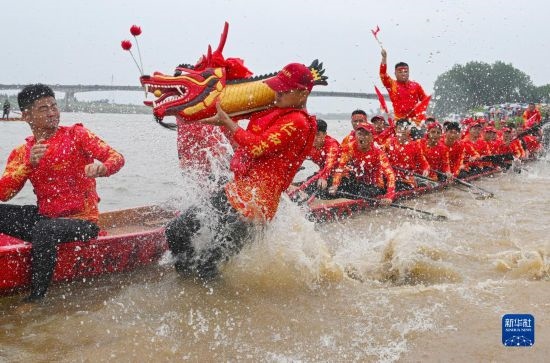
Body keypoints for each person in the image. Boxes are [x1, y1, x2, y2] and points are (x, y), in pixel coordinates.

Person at [165, 63, 319, 280]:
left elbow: (257, 146)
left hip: (256, 207)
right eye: (277, 88)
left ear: (303, 93)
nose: (278, 93)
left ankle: (215, 305)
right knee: (176, 230)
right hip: (235, 191)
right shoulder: (275, 109)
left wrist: (226, 122)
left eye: (284, 90)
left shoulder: (298, 122)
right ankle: (185, 284)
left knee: (208, 266)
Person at [0, 84, 125, 303]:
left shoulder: (77, 135)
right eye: (43, 108)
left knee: (44, 230)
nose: (51, 112)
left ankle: (37, 298)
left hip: (83, 222)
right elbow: (4, 193)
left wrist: (103, 168)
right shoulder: (22, 153)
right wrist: (29, 165)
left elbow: (116, 157)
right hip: (46, 219)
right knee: (39, 225)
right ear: (26, 116)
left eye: (53, 106)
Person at [328, 123, 395, 204]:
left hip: (375, 185)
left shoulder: (379, 153)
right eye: (359, 134)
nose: (362, 137)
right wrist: (335, 185)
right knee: (336, 186)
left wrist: (389, 196)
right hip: (357, 182)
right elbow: (340, 168)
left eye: (366, 134)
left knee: (363, 192)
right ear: (355, 135)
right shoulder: (349, 148)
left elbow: (390, 174)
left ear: (372, 137)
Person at [295, 118, 341, 198]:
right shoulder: (308, 144)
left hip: (339, 175)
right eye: (312, 134)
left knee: (313, 187)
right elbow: (297, 159)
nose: (314, 138)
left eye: (318, 134)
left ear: (325, 134)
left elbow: (329, 165)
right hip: (322, 173)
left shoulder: (332, 145)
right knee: (306, 183)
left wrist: (323, 177)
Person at [380, 49, 429, 123]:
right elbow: (383, 74)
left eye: (406, 72)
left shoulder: (416, 85)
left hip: (415, 122)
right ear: (395, 73)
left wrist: (421, 114)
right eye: (400, 72)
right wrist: (384, 58)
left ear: (409, 73)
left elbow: (425, 100)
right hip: (399, 121)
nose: (403, 74)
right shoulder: (392, 84)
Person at [383, 118, 430, 190]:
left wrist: (426, 170)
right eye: (400, 128)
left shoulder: (415, 145)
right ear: (395, 130)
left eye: (406, 128)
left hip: (406, 180)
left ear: (409, 130)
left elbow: (424, 163)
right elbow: (381, 159)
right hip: (390, 178)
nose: (403, 130)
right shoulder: (388, 143)